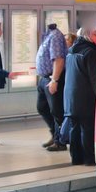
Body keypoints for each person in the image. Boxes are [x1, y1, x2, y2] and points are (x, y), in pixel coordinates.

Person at [63, 26, 96, 166]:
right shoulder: (90, 52)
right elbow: (95, 78)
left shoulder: (70, 52)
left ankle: (76, 158)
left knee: (74, 128)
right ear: (89, 36)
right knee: (87, 128)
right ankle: (89, 159)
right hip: (85, 97)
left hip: (70, 97)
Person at [35, 23, 68, 152]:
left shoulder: (55, 36)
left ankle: (60, 141)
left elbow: (58, 59)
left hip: (53, 78)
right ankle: (55, 134)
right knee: (42, 107)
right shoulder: (47, 36)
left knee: (57, 111)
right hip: (44, 78)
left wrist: (55, 79)